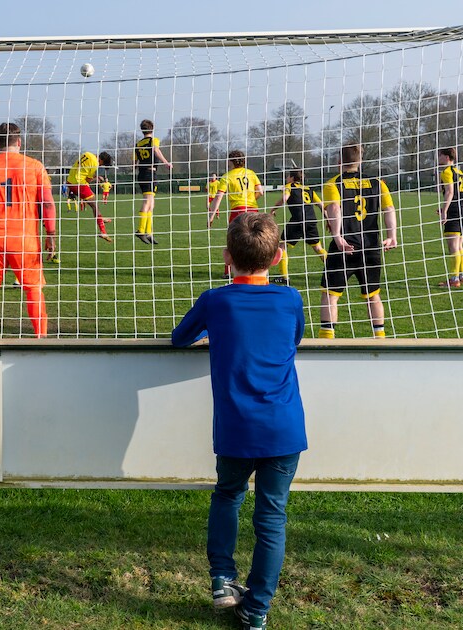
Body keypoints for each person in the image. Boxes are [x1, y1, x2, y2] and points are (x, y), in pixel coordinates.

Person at [170, 212, 307, 630]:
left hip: (235, 427)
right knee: (271, 517)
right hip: (284, 428)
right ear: (278, 257)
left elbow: (180, 337)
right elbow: (294, 339)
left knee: (228, 495)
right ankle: (257, 609)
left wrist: (217, 334)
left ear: (227, 256)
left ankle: (222, 579)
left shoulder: (216, 300)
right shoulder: (291, 299)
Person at [0, 121, 58, 337]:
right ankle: (41, 338)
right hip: (25, 239)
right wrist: (51, 233)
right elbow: (47, 203)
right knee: (33, 289)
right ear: (19, 142)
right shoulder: (35, 166)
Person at [318, 144, 398, 339]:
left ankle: (327, 340)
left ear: (339, 161)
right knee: (373, 295)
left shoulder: (333, 184)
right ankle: (379, 337)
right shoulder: (377, 183)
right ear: (360, 161)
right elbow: (389, 209)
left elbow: (335, 208)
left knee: (330, 295)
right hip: (370, 247)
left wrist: (337, 236)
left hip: (344, 247)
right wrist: (392, 235)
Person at [209, 151, 264, 278]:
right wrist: (252, 199)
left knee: (233, 241)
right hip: (253, 210)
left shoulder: (227, 176)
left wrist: (211, 215)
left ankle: (227, 272)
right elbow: (261, 192)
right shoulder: (251, 173)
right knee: (254, 241)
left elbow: (219, 197)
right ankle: (256, 270)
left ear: (231, 161)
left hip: (238, 211)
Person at [268, 170, 327, 285]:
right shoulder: (308, 189)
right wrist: (328, 219)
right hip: (311, 221)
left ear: (292, 177)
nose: (286, 178)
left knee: (282, 246)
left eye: (287, 176)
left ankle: (284, 277)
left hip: (298, 220)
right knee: (318, 248)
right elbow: (321, 205)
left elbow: (285, 198)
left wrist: (274, 208)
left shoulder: (289, 186)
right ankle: (334, 270)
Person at [134, 119, 174, 245]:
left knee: (151, 204)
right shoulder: (153, 140)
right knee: (147, 202)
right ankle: (141, 230)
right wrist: (166, 162)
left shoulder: (138, 144)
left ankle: (149, 232)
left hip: (143, 174)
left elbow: (134, 162)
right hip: (149, 173)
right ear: (152, 128)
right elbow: (156, 150)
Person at [437, 148, 463, 287]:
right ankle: (461, 276)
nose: (438, 158)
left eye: (440, 155)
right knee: (460, 244)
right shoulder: (459, 172)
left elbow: (450, 192)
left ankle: (454, 279)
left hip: (454, 211)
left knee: (453, 246)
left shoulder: (446, 172)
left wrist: (445, 210)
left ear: (446, 157)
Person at [66, 150, 114, 242]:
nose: (101, 166)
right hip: (79, 184)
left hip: (70, 181)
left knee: (93, 199)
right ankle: (103, 232)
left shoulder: (87, 154)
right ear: (101, 160)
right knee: (95, 205)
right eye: (102, 164)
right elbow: (88, 180)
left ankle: (100, 218)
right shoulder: (95, 164)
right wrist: (96, 178)